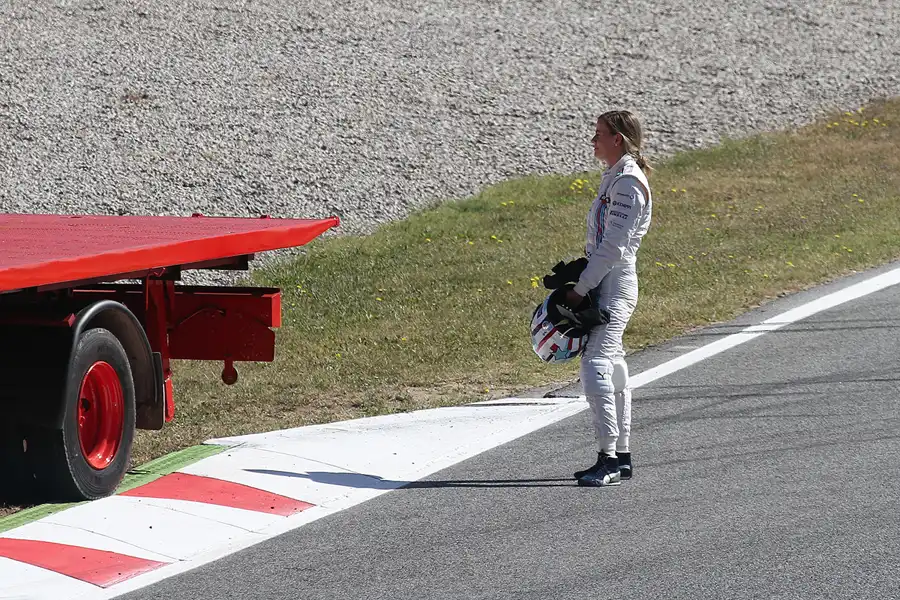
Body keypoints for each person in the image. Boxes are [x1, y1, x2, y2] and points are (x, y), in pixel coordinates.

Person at [564, 110, 653, 487]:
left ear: (618, 138)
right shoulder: (616, 176)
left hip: (614, 283)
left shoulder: (628, 183)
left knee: (595, 361)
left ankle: (609, 459)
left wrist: (580, 288)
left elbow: (613, 247)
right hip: (607, 279)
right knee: (612, 361)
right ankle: (623, 456)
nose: (593, 139)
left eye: (599, 133)